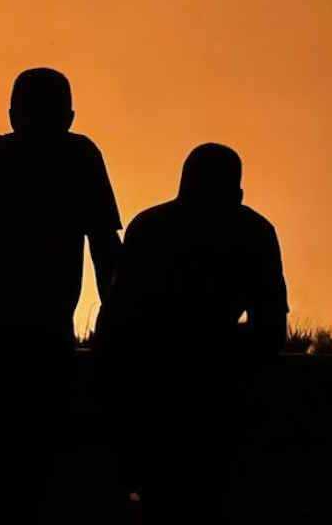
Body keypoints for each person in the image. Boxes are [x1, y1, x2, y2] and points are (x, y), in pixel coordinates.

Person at [0, 67, 122, 523]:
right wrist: (122, 323)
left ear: (11, 114)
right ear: (69, 116)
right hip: (43, 327)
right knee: (38, 460)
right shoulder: (80, 157)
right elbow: (105, 248)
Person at [95, 142, 288, 523]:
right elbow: (271, 330)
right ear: (238, 193)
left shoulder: (150, 227)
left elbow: (115, 324)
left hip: (151, 395)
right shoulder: (254, 232)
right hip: (215, 403)